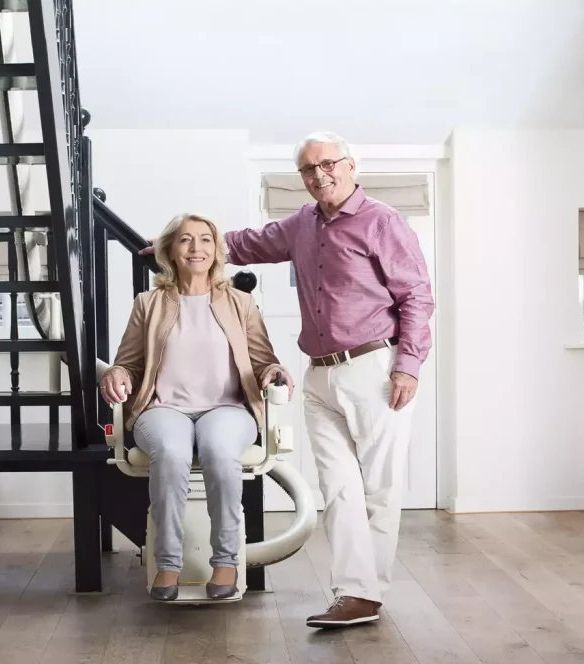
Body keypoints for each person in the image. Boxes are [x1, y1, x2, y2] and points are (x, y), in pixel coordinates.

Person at [140, 132, 434, 626]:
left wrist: (408, 365)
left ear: (350, 165)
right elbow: (245, 244)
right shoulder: (302, 224)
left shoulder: (382, 221)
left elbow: (417, 297)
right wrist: (173, 246)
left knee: (380, 488)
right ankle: (353, 593)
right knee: (337, 488)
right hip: (319, 374)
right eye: (308, 170)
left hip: (374, 369)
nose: (319, 175)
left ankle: (368, 592)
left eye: (328, 165)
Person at [101, 213, 292, 602]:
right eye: (186, 240)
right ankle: (167, 564)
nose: (196, 248)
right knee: (170, 452)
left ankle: (225, 562)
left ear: (217, 250)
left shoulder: (240, 303)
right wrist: (116, 373)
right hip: (163, 409)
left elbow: (261, 360)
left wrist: (274, 370)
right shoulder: (148, 303)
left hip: (227, 408)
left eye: (205, 240)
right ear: (170, 250)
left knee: (220, 451)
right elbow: (130, 362)